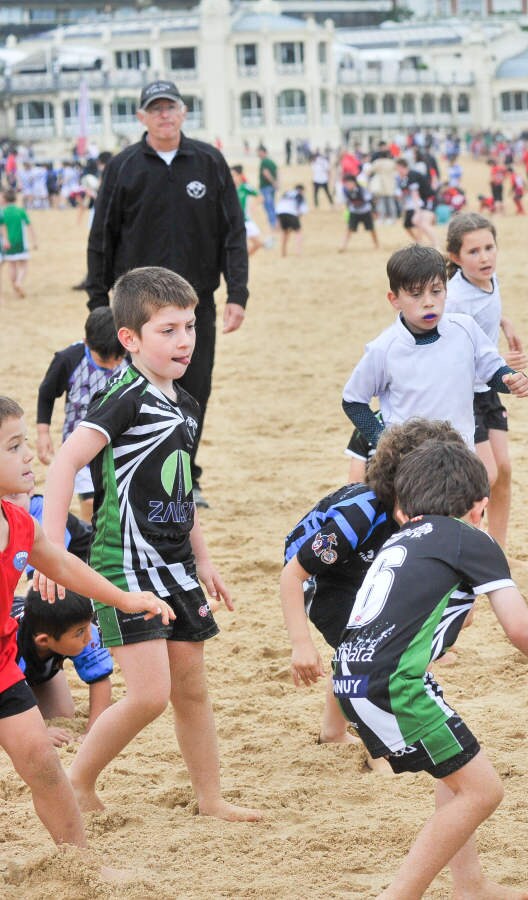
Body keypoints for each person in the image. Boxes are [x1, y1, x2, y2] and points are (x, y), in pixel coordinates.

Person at [335, 439, 528, 898]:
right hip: (396, 683)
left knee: (458, 773)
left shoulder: (400, 540)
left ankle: (471, 886)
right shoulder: (473, 538)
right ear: (479, 507)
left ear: (405, 508)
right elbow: (520, 627)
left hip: (352, 675)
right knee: (482, 792)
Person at [39, 266, 260, 822]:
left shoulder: (183, 402)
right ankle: (77, 780)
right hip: (126, 566)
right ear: (130, 339)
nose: (184, 339)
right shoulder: (125, 396)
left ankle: (210, 799)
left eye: (189, 326)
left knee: (191, 690)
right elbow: (67, 460)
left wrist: (203, 558)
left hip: (176, 564)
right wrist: (51, 544)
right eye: (168, 329)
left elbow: (181, 489)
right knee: (147, 695)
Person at [0, 395, 171, 869]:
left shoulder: (19, 522)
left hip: (3, 667)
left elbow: (62, 563)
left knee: (43, 764)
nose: (29, 455)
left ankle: (81, 866)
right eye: (14, 447)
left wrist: (124, 599)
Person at [86, 80, 248, 502]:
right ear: (141, 117)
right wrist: (97, 302)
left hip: (196, 304)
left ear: (183, 112)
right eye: (154, 109)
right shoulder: (123, 166)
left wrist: (238, 294)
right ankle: (133, 474)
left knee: (194, 388)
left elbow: (233, 232)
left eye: (170, 107)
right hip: (136, 308)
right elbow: (102, 236)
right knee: (134, 389)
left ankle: (185, 479)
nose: (163, 115)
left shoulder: (209, 162)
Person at [282, 418, 460, 762]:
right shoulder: (359, 515)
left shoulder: (424, 513)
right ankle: (378, 752)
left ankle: (334, 732)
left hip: (367, 569)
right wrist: (301, 645)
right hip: (324, 578)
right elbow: (293, 576)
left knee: (379, 642)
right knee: (369, 653)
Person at [342, 245, 528, 456]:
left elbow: (493, 371)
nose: (429, 302)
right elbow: (353, 401)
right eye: (415, 294)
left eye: (436, 291)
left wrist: (510, 379)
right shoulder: (383, 349)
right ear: (394, 299)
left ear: (446, 291)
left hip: (462, 456)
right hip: (411, 465)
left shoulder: (465, 328)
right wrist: (387, 445)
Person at [444, 214, 526, 548]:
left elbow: (489, 310)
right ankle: (459, 546)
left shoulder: (491, 280)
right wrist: (499, 363)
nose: (485, 257)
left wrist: (505, 324)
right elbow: (450, 353)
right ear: (455, 258)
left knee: (503, 469)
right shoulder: (454, 299)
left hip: (487, 390)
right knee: (485, 476)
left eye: (489, 248)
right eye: (474, 251)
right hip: (464, 393)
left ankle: (497, 548)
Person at [35, 308, 127, 521]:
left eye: (118, 358)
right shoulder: (68, 359)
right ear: (87, 342)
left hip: (120, 443)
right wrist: (43, 433)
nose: (113, 366)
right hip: (81, 442)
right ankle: (89, 539)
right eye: (105, 361)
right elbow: (46, 394)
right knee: (90, 501)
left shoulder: (132, 358)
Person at [13, 588, 113, 746]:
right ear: (44, 641)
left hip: (33, 667)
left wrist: (93, 731)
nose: (89, 636)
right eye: (80, 632)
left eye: (89, 624)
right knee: (25, 728)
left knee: (60, 716)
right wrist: (36, 732)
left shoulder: (80, 628)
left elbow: (100, 679)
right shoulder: (9, 646)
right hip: (8, 668)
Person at [1, 188, 35, 302]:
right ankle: (19, 282)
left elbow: (2, 227)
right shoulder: (21, 211)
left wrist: (5, 240)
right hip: (21, 242)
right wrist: (34, 241)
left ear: (5, 199)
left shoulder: (3, 212)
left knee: (12, 265)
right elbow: (29, 226)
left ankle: (15, 290)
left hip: (8, 242)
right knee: (24, 264)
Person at [396, 157, 438, 246]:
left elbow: (415, 195)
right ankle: (420, 242)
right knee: (416, 221)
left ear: (401, 167)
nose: (397, 171)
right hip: (425, 200)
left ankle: (436, 244)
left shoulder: (412, 175)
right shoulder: (407, 177)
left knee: (423, 223)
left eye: (397, 169)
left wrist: (417, 211)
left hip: (430, 199)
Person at [337, 174, 379, 254]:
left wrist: (374, 212)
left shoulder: (362, 190)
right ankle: (343, 246)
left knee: (371, 229)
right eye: (346, 183)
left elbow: (371, 201)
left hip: (365, 211)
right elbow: (347, 202)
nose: (348, 185)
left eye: (349, 183)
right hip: (354, 212)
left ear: (354, 183)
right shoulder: (345, 190)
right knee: (349, 229)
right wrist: (347, 210)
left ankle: (376, 244)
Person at [230, 166, 264, 257]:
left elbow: (260, 197)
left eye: (233, 175)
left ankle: (243, 259)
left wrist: (254, 206)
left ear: (240, 176)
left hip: (245, 220)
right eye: (230, 175)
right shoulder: (228, 189)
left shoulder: (245, 187)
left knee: (258, 243)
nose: (231, 177)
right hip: (233, 222)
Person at [275, 183, 307, 257]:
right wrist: (297, 219)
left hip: (280, 212)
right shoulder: (300, 195)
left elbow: (279, 205)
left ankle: (283, 252)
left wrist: (278, 222)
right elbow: (301, 210)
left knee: (285, 232)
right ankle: (298, 252)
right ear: (302, 190)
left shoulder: (286, 193)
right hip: (291, 212)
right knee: (298, 232)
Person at [255, 145, 278, 232]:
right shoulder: (271, 161)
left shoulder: (264, 162)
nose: (258, 154)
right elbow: (277, 171)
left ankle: (273, 225)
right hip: (271, 187)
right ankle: (275, 223)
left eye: (259, 152)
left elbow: (266, 173)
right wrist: (276, 183)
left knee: (269, 206)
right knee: (271, 205)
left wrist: (273, 182)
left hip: (266, 187)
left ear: (263, 152)